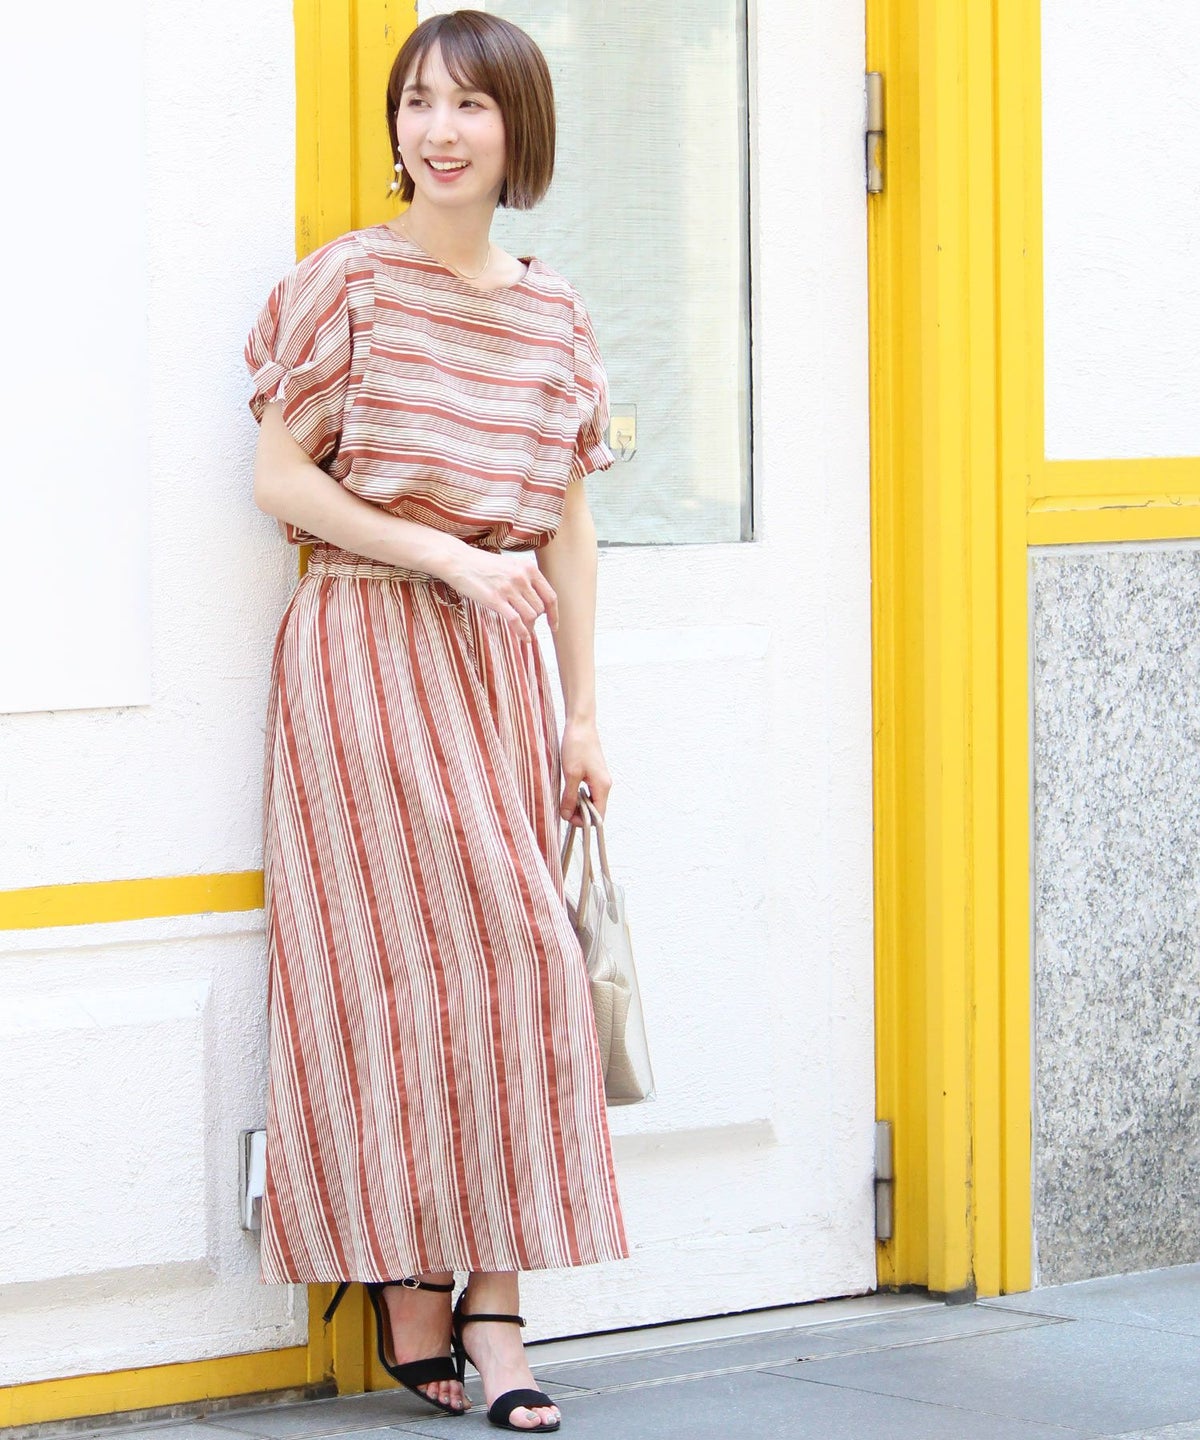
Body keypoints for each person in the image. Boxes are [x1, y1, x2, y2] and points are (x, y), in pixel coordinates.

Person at [243, 11, 629, 1434]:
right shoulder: (347, 284)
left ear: (520, 128)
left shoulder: (555, 313)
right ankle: (409, 1276)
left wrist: (584, 714)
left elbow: (570, 530)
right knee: (387, 977)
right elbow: (281, 479)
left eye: (470, 104)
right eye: (417, 102)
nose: (439, 130)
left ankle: (494, 1301)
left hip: (497, 673)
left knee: (523, 968)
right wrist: (446, 556)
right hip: (363, 649)